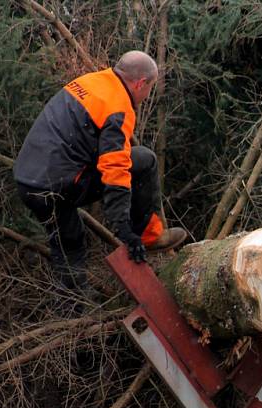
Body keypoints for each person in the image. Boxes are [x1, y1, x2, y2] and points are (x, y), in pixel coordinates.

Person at [14, 50, 186, 295]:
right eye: (150, 88)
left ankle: (73, 303)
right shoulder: (118, 107)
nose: (148, 96)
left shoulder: (91, 82)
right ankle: (150, 236)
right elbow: (115, 170)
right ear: (140, 83)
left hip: (29, 182)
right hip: (56, 185)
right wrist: (124, 230)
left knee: (69, 239)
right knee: (144, 160)